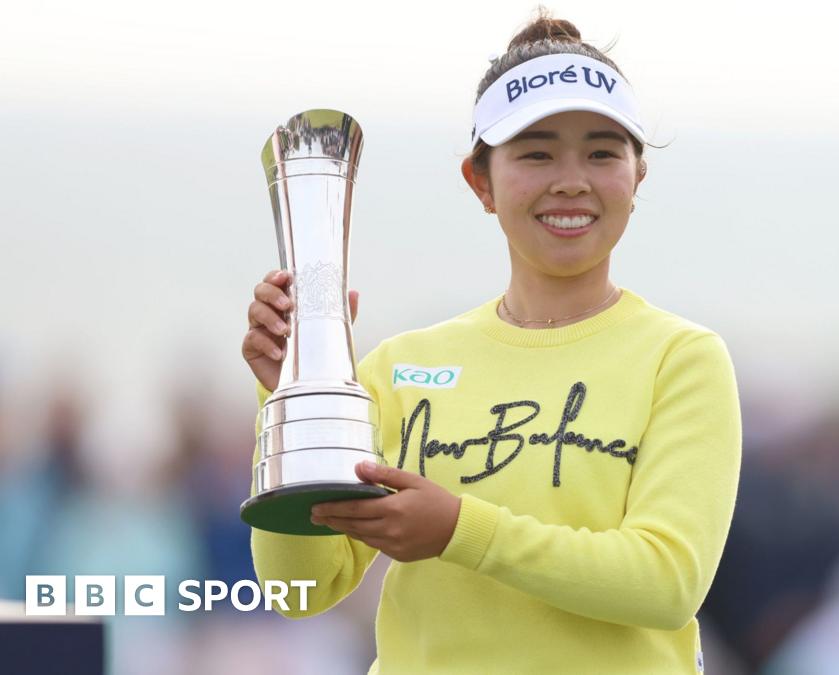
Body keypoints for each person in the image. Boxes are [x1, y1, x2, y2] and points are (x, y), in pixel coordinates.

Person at [241, 12, 741, 674]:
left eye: (602, 151)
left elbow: (667, 581)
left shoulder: (681, 358)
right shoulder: (399, 366)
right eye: (536, 152)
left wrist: (459, 531)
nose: (571, 179)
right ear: (480, 181)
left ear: (637, 176)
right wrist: (287, 397)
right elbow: (297, 588)